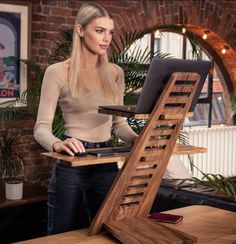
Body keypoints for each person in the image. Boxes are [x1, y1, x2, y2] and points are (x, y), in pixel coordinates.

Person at [34, 2, 138, 235]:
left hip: (107, 160)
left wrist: (134, 138)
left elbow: (118, 123)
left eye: (110, 32)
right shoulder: (57, 72)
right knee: (61, 234)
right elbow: (40, 128)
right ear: (80, 30)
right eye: (99, 30)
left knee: (107, 232)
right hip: (73, 160)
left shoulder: (115, 73)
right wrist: (57, 144)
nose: (107, 38)